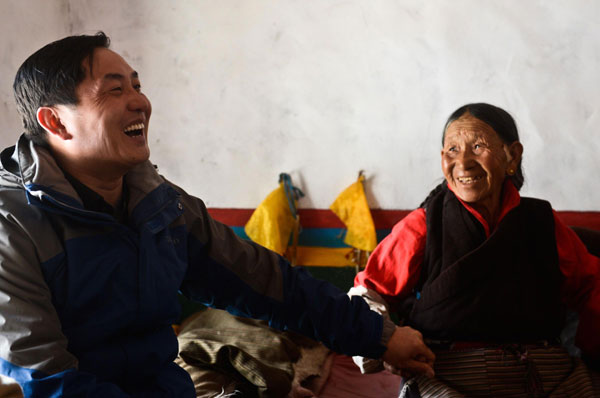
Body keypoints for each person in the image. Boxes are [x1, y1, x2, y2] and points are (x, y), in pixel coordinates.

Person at [0, 32, 435, 397]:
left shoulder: (158, 202)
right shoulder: (12, 224)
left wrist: (381, 336)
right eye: (115, 90)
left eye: (137, 85)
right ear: (55, 122)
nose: (141, 102)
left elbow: (267, 282)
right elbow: (45, 377)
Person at [351, 103, 600, 397]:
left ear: (513, 155)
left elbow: (591, 286)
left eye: (478, 146)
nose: (464, 163)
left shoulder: (542, 221)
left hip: (547, 375)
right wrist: (385, 343)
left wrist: (593, 353)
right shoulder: (424, 225)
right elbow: (366, 292)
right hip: (448, 378)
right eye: (452, 150)